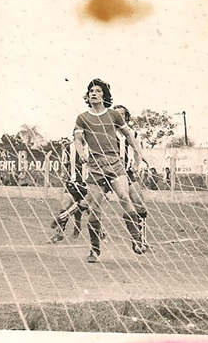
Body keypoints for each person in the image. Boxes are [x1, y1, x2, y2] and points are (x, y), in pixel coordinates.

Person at [72, 79, 147, 263]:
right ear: (88, 95)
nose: (94, 93)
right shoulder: (82, 118)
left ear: (104, 95)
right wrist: (81, 153)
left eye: (98, 90)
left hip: (114, 163)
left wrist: (139, 153)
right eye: (91, 91)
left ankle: (136, 239)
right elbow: (78, 140)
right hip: (95, 166)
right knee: (94, 209)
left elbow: (129, 135)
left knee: (124, 197)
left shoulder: (114, 115)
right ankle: (94, 249)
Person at [112, 105, 150, 247]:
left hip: (127, 173)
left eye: (122, 114)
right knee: (89, 204)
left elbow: (136, 150)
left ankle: (140, 239)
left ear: (126, 117)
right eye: (116, 114)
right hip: (110, 172)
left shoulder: (132, 133)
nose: (119, 116)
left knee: (140, 205)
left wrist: (136, 164)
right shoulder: (107, 132)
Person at [49, 135, 89, 243]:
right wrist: (63, 174)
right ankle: (59, 234)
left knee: (90, 210)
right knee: (65, 206)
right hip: (72, 183)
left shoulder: (91, 147)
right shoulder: (68, 148)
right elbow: (65, 164)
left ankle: (100, 234)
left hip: (88, 184)